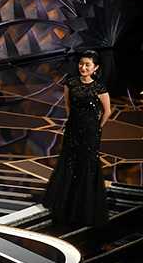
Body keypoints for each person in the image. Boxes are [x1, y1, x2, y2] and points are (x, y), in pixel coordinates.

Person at [41, 50, 111, 226]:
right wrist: (74, 123)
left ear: (95, 68)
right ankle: (68, 204)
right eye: (81, 64)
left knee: (87, 165)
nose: (83, 67)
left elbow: (107, 111)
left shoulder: (99, 88)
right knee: (70, 163)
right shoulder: (70, 83)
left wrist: (96, 127)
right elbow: (67, 105)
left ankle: (84, 207)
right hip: (73, 130)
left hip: (91, 133)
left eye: (87, 65)